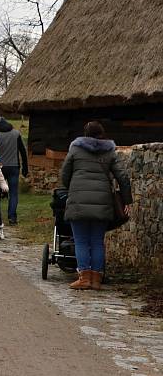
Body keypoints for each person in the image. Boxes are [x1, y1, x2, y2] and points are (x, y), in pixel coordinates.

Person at [60, 121, 132, 290]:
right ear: (102, 133)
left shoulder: (75, 149)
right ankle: (97, 279)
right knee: (97, 241)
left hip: (78, 200)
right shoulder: (110, 152)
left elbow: (65, 173)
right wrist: (127, 200)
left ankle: (84, 278)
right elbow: (122, 177)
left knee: (81, 241)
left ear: (85, 134)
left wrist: (71, 187)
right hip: (103, 202)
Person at [0, 117, 28, 226]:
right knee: (13, 193)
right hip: (14, 166)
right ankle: (12, 217)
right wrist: (25, 167)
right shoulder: (16, 134)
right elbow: (23, 151)